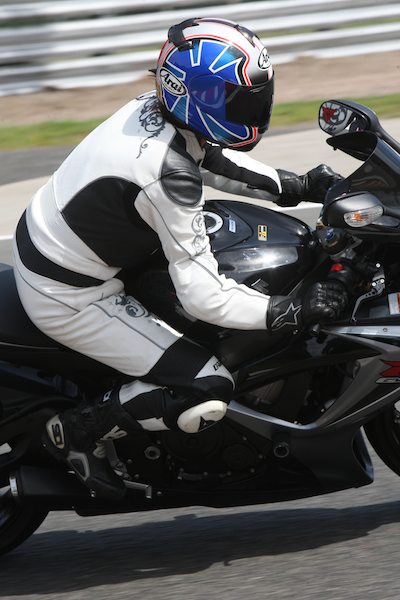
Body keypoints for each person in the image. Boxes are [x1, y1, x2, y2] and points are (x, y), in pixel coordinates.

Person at [13, 17, 347, 500]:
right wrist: (288, 310)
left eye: (256, 97)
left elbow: (207, 156)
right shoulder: (166, 175)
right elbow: (205, 296)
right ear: (198, 95)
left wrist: (294, 185)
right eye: (238, 99)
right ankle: (79, 431)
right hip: (68, 295)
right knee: (207, 386)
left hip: (64, 243)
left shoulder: (153, 109)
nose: (253, 109)